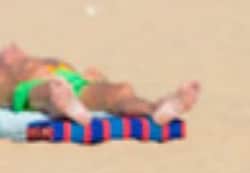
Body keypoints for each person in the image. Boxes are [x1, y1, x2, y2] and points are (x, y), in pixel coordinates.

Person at [1, 43, 200, 127]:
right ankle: (61, 104)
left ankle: (157, 108)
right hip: (31, 88)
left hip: (75, 83)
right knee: (49, 90)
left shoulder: (41, 59)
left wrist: (95, 78)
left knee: (122, 90)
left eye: (14, 48)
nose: (11, 47)